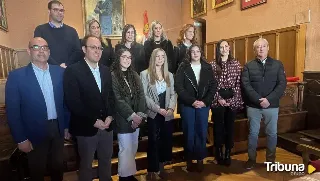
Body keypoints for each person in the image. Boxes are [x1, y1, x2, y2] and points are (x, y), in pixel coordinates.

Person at [5, 37, 69, 181]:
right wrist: (21, 139)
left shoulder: (59, 72)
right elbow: (13, 112)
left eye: (45, 48)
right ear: (29, 51)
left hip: (57, 129)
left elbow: (65, 102)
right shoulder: (16, 76)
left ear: (49, 51)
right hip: (33, 132)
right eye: (36, 47)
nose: (41, 51)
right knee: (37, 170)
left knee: (58, 167)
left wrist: (66, 126)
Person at [63, 35, 115, 181]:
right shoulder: (73, 71)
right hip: (86, 128)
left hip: (107, 126)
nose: (97, 51)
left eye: (99, 48)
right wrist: (94, 120)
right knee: (86, 166)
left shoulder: (106, 71)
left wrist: (110, 116)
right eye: (93, 47)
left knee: (106, 161)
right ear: (84, 49)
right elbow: (73, 102)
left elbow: (111, 96)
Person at [242, 38, 287, 169]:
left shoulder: (278, 64)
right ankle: (251, 159)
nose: (261, 49)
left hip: (271, 105)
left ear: (268, 48)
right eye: (258, 47)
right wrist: (258, 100)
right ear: (254, 50)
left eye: (263, 46)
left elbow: (282, 84)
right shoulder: (248, 65)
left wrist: (269, 99)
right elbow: (246, 85)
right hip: (253, 106)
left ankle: (271, 161)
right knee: (252, 134)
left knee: (272, 134)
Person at [175, 44, 217, 172]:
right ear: (189, 53)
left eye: (197, 51)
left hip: (203, 105)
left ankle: (199, 159)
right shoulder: (183, 67)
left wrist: (205, 102)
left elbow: (213, 86)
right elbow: (179, 87)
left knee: (201, 132)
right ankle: (189, 160)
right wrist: (192, 101)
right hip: (188, 105)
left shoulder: (207, 67)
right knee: (189, 133)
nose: (195, 54)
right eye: (192, 52)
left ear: (201, 53)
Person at [140, 48, 176, 180]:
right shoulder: (145, 74)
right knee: (153, 141)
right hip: (153, 113)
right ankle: (152, 170)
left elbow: (173, 94)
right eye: (157, 56)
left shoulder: (170, 75)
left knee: (165, 140)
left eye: (162, 56)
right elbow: (144, 96)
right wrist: (157, 109)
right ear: (153, 58)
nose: (160, 59)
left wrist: (171, 108)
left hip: (167, 113)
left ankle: (161, 167)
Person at [111, 48, 147, 181]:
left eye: (129, 57)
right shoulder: (113, 75)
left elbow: (141, 95)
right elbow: (117, 99)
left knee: (133, 148)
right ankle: (124, 178)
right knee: (125, 150)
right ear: (118, 58)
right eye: (123, 57)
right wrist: (132, 116)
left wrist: (139, 115)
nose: (126, 60)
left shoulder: (135, 75)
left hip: (136, 119)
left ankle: (129, 175)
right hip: (123, 119)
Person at [211, 40, 243, 166]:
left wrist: (232, 100)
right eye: (221, 47)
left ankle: (228, 152)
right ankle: (218, 152)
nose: (224, 49)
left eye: (226, 46)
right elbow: (212, 85)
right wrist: (218, 98)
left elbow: (238, 83)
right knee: (218, 127)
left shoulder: (235, 63)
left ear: (229, 48)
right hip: (218, 97)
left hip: (232, 97)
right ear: (218, 50)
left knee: (230, 127)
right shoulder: (213, 65)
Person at [34, 0, 81, 68]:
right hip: (48, 69)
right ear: (49, 11)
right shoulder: (40, 30)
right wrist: (57, 66)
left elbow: (77, 52)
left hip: (69, 69)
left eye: (61, 10)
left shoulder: (72, 31)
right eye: (56, 10)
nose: (59, 13)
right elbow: (39, 51)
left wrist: (66, 64)